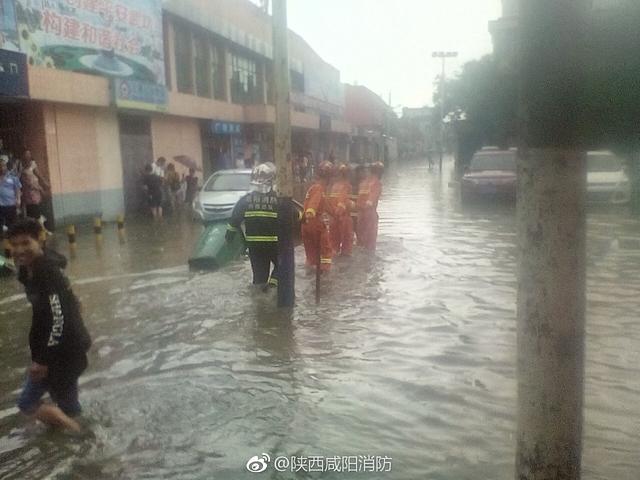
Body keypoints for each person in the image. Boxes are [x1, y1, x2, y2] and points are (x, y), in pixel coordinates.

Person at [8, 218, 91, 433]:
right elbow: (70, 303)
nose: (19, 249)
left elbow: (57, 318)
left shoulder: (46, 272)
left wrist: (42, 360)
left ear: (40, 241)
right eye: (15, 244)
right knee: (68, 404)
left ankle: (81, 435)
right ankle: (81, 437)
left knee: (27, 403)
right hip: (70, 346)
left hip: (62, 351)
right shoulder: (29, 270)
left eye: (26, 243)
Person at [226, 162, 279, 288]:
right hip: (274, 244)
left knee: (259, 279)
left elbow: (234, 222)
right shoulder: (278, 199)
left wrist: (229, 238)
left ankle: (259, 302)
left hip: (254, 246)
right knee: (283, 266)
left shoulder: (245, 200)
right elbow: (293, 216)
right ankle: (272, 288)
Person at [301, 160, 334, 272]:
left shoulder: (313, 188)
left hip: (305, 224)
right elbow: (313, 206)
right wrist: (311, 213)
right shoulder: (319, 189)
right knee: (326, 251)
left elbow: (327, 206)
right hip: (314, 223)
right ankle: (325, 279)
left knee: (311, 255)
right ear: (329, 177)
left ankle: (310, 274)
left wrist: (334, 214)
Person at [327, 163, 354, 256]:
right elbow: (342, 201)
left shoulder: (333, 187)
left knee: (333, 246)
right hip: (343, 218)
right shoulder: (347, 186)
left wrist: (334, 215)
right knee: (347, 247)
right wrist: (351, 205)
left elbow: (329, 203)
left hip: (333, 218)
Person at [357, 162, 384, 252]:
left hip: (360, 214)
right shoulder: (376, 183)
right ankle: (369, 263)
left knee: (361, 242)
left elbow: (358, 200)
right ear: (379, 172)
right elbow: (370, 201)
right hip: (370, 214)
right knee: (370, 243)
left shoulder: (363, 182)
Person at [20, 150, 49, 222]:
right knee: (30, 211)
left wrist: (45, 183)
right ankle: (35, 228)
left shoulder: (33, 164)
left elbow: (39, 174)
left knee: (37, 209)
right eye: (26, 154)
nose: (28, 156)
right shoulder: (20, 165)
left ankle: (41, 228)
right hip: (27, 191)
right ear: (23, 156)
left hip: (35, 191)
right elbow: (20, 178)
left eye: (29, 154)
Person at [0, 158, 21, 233]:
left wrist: (18, 200)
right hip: (0, 206)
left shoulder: (12, 176)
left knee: (12, 226)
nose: (2, 167)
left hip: (11, 205)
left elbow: (17, 189)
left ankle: (12, 241)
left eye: (3, 165)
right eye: (0, 166)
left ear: (6, 166)